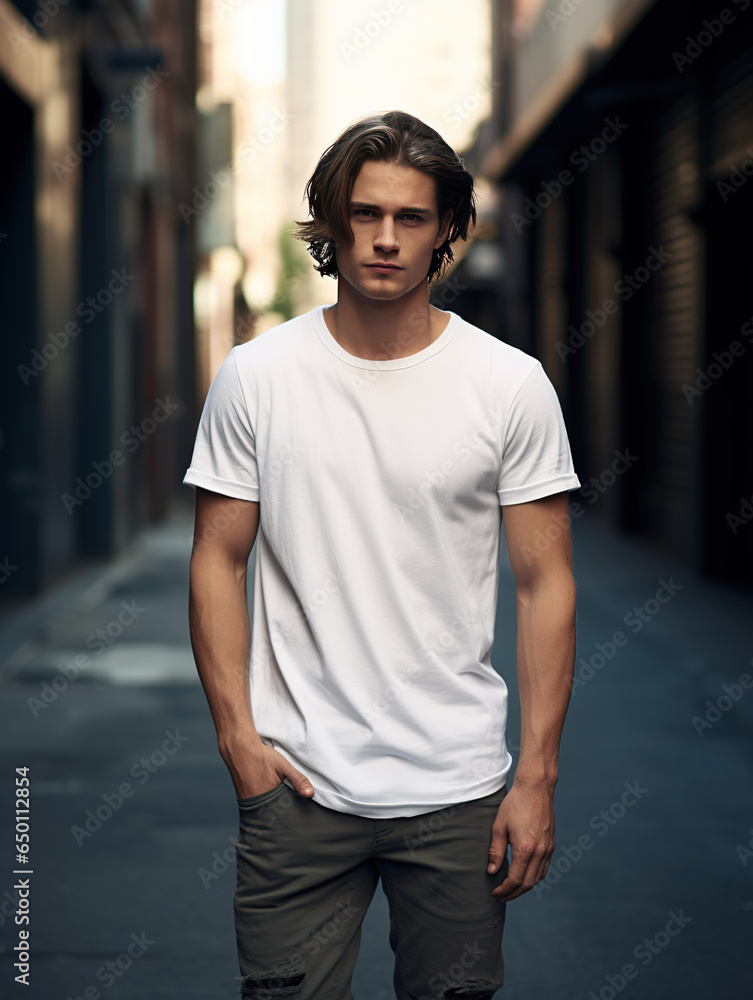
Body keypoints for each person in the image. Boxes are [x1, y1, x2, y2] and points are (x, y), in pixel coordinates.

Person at [183, 110, 581, 1000]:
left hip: (456, 789)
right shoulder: (259, 376)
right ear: (330, 221)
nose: (386, 240)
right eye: (364, 215)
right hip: (294, 786)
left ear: (446, 230)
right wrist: (238, 743)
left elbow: (543, 581)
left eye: (410, 218)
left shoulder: (507, 386)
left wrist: (537, 776)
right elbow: (216, 558)